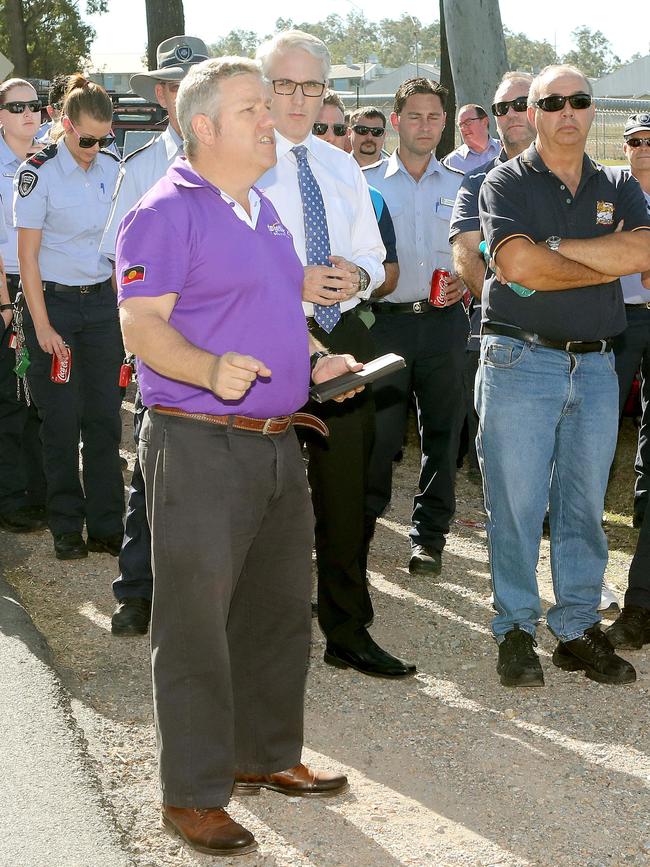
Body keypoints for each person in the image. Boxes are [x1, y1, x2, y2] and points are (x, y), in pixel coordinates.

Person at [116, 56, 353, 857]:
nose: (272, 119)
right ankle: (192, 791)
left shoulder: (262, 210)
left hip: (279, 442)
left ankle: (265, 755)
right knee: (195, 626)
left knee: (278, 612)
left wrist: (317, 360)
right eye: (254, 107)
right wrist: (209, 368)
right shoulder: (162, 212)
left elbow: (278, 311)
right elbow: (142, 327)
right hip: (198, 442)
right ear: (205, 127)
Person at [476, 64, 650, 688]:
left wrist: (554, 254)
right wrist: (602, 258)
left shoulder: (615, 185)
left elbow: (644, 252)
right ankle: (516, 627)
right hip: (522, 360)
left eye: (579, 100)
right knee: (518, 505)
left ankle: (575, 627)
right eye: (552, 102)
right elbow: (516, 263)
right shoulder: (505, 182)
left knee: (582, 504)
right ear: (534, 111)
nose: (566, 111)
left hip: (599, 362)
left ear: (592, 110)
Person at [257, 30, 415, 679]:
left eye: (311, 86)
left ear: (327, 91)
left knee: (347, 491)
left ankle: (347, 629)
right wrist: (290, 281)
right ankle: (261, 638)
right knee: (260, 493)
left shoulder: (340, 166)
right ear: (263, 87)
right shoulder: (236, 162)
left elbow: (376, 259)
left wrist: (355, 276)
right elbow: (223, 261)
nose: (298, 98)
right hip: (265, 336)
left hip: (344, 336)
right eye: (285, 84)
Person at [100, 35, 210, 637]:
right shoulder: (141, 165)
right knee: (150, 469)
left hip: (227, 341)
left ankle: (203, 594)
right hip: (163, 344)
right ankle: (137, 590)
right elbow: (116, 260)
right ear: (165, 94)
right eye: (177, 85)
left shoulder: (244, 161)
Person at [14, 75, 123, 561]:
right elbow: (28, 259)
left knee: (104, 420)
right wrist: (40, 326)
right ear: (63, 124)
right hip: (52, 303)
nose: (94, 147)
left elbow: (122, 249)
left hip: (101, 305)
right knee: (59, 421)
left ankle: (105, 524)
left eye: (104, 138)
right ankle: (65, 524)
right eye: (86, 138)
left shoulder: (113, 169)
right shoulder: (37, 173)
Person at [363, 78, 468, 577]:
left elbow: (479, 253)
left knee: (443, 439)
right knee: (378, 439)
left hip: (446, 326)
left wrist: (467, 284)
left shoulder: (462, 187)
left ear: (444, 124)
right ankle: (359, 528)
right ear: (397, 119)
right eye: (415, 116)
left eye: (434, 117)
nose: (425, 126)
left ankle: (429, 538)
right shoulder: (367, 185)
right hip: (385, 328)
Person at [449, 72, 535, 482]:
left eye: (521, 104)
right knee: (497, 457)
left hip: (568, 337)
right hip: (496, 335)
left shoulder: (578, 178)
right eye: (502, 108)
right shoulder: (476, 182)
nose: (512, 114)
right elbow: (466, 254)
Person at [0, 78, 46, 533]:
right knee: (10, 400)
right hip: (8, 290)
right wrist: (4, 302)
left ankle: (40, 492)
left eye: (35, 105)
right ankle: (11, 498)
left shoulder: (51, 157)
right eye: (16, 108)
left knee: (41, 399)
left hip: (46, 285)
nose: (28, 114)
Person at [612, 113, 650, 531]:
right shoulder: (612, 190)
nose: (642, 150)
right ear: (624, 148)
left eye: (649, 141)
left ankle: (644, 506)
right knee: (603, 412)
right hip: (619, 316)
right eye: (634, 142)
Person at [443, 104, 500, 175]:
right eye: (460, 125)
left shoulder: (504, 150)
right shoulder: (452, 162)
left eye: (468, 122)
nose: (463, 128)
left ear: (484, 122)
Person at [35, 74, 69, 144]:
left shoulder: (95, 149)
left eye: (77, 106)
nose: (72, 112)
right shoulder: (35, 148)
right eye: (63, 106)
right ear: (51, 111)